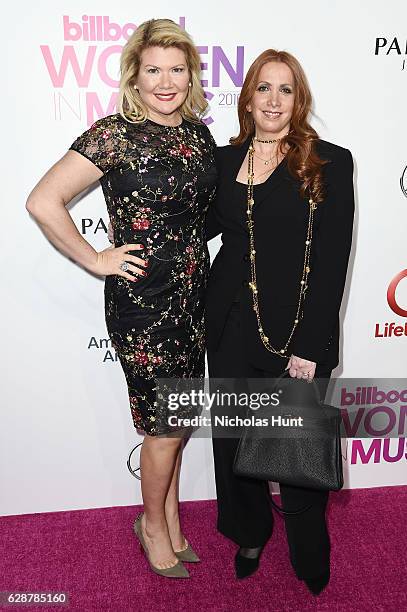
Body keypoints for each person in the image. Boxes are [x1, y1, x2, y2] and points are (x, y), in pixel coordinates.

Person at [26, 18, 217, 579]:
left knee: (175, 421)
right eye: (153, 69)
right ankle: (151, 525)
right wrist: (95, 258)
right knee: (162, 426)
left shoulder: (199, 135)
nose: (166, 82)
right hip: (143, 305)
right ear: (134, 76)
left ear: (191, 76)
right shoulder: (114, 133)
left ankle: (173, 519)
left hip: (192, 296)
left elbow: (200, 219)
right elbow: (43, 200)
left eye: (176, 70)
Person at [205, 49, 354, 594]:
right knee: (233, 442)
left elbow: (334, 256)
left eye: (285, 90)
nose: (273, 100)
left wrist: (313, 343)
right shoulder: (223, 162)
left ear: (299, 98)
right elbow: (196, 234)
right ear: (247, 96)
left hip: (295, 330)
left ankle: (309, 553)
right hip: (228, 326)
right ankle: (248, 532)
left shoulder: (330, 161)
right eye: (262, 88)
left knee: (295, 451)